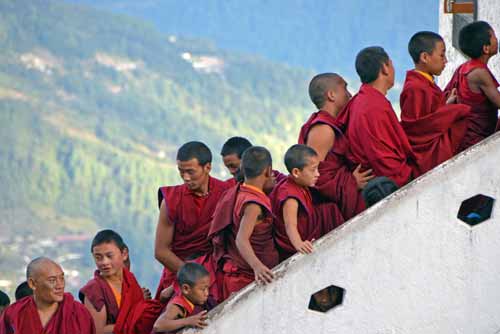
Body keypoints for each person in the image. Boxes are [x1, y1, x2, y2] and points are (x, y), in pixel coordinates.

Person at [154, 141, 230, 303]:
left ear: (207, 167)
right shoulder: (172, 200)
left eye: (191, 172)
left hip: (215, 267)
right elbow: (161, 251)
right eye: (181, 172)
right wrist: (191, 277)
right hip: (180, 271)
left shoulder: (225, 193)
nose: (186, 178)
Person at [336, 46, 419, 187]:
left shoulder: (362, 100)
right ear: (385, 68)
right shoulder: (373, 107)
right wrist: (408, 176)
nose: (394, 70)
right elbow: (382, 158)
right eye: (391, 64)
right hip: (382, 186)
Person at [298, 73, 373, 220]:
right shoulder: (323, 129)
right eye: (344, 89)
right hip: (328, 209)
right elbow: (312, 176)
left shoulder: (332, 124)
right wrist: (351, 183)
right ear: (331, 95)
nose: (349, 94)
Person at [209, 146, 279, 300]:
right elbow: (241, 239)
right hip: (246, 277)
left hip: (240, 272)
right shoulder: (253, 204)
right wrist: (257, 266)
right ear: (268, 171)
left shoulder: (239, 191)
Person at [400, 31, 470, 173]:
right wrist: (452, 111)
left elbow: (431, 117)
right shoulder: (415, 88)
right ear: (425, 57)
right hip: (426, 158)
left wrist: (446, 106)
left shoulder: (425, 82)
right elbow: (418, 131)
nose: (445, 61)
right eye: (442, 55)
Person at [80, 230, 163, 334]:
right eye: (98, 257)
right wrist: (135, 318)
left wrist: (141, 304)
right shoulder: (94, 290)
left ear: (124, 254)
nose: (104, 262)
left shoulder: (128, 279)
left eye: (109, 256)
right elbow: (99, 331)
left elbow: (134, 309)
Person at [270, 144, 344, 261]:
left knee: (330, 210)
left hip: (309, 226)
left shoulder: (299, 183)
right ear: (296, 172)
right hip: (294, 242)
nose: (318, 174)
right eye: (313, 170)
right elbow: (290, 225)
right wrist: (299, 244)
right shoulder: (290, 196)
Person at [0, 257, 95, 334]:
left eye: (62, 278)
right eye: (52, 280)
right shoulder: (14, 313)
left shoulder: (78, 313)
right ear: (32, 284)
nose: (60, 285)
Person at [444, 21, 500, 151]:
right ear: (486, 48)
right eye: (494, 37)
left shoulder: (463, 68)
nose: (497, 40)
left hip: (465, 136)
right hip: (475, 140)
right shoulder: (479, 73)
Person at [153, 263, 211, 333]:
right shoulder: (178, 305)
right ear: (186, 289)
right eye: (203, 289)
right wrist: (188, 321)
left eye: (208, 288)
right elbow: (158, 325)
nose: (207, 293)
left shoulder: (194, 298)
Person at [221, 136, 286, 187]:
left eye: (233, 166)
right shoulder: (230, 188)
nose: (231, 172)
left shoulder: (280, 182)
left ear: (247, 159)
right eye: (227, 167)